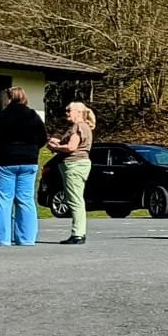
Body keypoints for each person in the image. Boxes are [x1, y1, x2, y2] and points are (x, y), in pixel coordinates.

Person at [0, 86, 48, 247]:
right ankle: (26, 238)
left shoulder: (2, 117)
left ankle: (2, 239)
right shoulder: (33, 115)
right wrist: (31, 150)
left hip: (5, 161)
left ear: (8, 99)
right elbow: (43, 138)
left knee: (4, 200)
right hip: (28, 161)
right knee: (26, 199)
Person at [46, 102, 96, 246]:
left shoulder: (79, 126)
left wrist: (56, 147)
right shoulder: (82, 127)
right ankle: (78, 233)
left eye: (69, 110)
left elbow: (72, 147)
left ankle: (78, 234)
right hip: (77, 165)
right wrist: (59, 142)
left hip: (74, 165)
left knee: (75, 200)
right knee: (75, 199)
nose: (66, 113)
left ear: (79, 112)